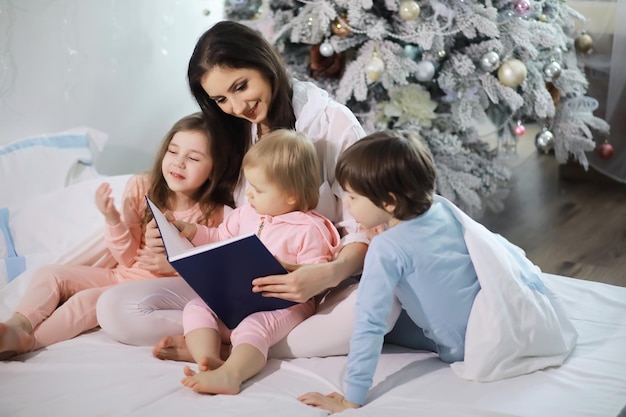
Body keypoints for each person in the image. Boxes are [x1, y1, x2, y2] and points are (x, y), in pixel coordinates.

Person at [96, 20, 370, 352]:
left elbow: (363, 227)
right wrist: (177, 235)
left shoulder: (333, 123)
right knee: (114, 310)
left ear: (263, 63)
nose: (238, 107)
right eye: (222, 99)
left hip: (312, 289)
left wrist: (326, 274)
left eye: (241, 86)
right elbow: (225, 225)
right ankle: (241, 342)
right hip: (238, 286)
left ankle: (224, 340)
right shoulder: (234, 130)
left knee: (365, 311)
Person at [298, 131, 577, 413]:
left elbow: (370, 325)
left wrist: (351, 398)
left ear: (390, 203)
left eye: (353, 197)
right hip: (480, 321)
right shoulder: (440, 209)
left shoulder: (386, 249)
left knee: (356, 303)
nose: (346, 204)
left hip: (457, 346)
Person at [0, 112, 228, 360]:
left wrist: (171, 265)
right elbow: (127, 257)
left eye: (193, 158)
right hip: (121, 274)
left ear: (213, 168)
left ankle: (30, 342)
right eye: (173, 152)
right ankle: (18, 324)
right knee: (50, 273)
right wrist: (112, 219)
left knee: (88, 300)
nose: (178, 162)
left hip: (150, 290)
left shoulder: (214, 213)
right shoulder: (143, 187)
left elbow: (211, 274)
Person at [171, 129, 339, 394]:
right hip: (239, 295)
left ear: (291, 196)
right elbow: (219, 237)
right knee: (196, 306)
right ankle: (207, 359)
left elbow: (315, 276)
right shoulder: (246, 214)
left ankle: (232, 374)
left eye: (258, 189)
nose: (249, 195)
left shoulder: (309, 229)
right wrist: (193, 232)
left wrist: (288, 271)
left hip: (283, 304)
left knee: (254, 325)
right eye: (249, 186)